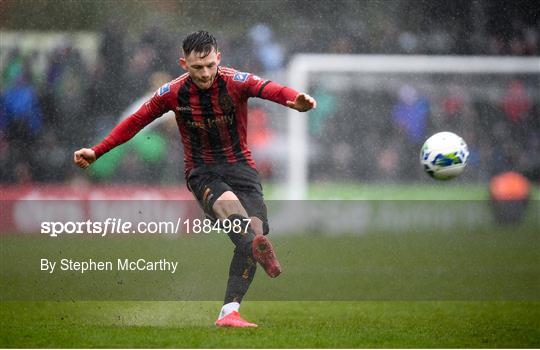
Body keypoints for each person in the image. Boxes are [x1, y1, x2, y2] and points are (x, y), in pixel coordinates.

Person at [73, 31, 316, 327]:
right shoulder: (173, 92)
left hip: (242, 168)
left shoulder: (235, 81)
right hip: (203, 173)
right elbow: (136, 121)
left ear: (219, 59)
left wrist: (295, 100)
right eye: (197, 67)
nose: (205, 73)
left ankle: (230, 312)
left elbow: (270, 89)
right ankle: (252, 252)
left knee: (254, 233)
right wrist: (98, 151)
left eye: (210, 65)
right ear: (183, 63)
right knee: (241, 223)